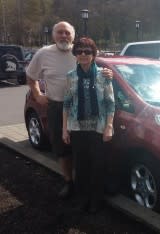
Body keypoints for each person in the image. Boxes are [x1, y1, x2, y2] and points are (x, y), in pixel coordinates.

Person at [26, 21, 113, 200]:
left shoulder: (81, 50)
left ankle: (88, 185)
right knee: (62, 148)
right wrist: (38, 94)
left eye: (67, 33)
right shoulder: (43, 53)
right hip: (58, 107)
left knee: (85, 151)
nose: (64, 36)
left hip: (86, 110)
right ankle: (69, 182)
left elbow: (101, 68)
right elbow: (30, 76)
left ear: (73, 36)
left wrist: (109, 74)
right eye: (60, 32)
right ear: (53, 35)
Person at [62, 37, 115, 214]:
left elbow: (110, 103)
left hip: (98, 128)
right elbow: (67, 104)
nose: (83, 54)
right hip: (77, 128)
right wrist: (64, 128)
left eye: (87, 51)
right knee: (81, 165)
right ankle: (82, 198)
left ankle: (96, 200)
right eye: (80, 51)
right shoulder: (71, 76)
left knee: (98, 165)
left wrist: (109, 126)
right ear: (75, 54)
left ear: (94, 54)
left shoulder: (104, 75)